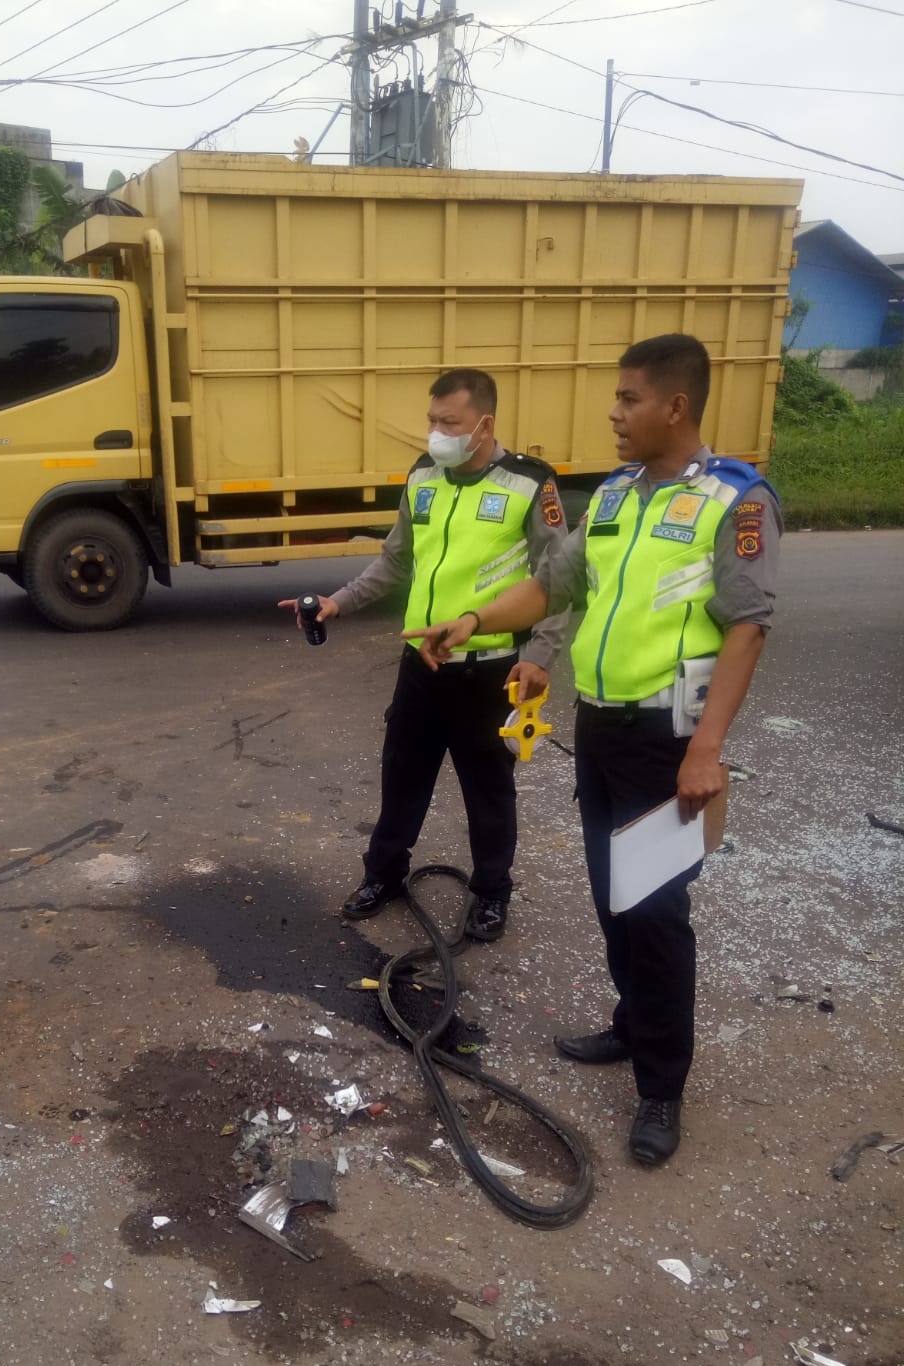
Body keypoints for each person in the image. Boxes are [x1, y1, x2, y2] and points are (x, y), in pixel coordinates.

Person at [406, 334, 781, 1165]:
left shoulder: (734, 501)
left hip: (669, 738)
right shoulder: (614, 498)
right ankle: (629, 1023)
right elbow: (554, 585)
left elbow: (749, 625)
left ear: (675, 407)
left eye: (628, 400)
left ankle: (660, 1086)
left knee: (655, 915)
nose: (613, 414)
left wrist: (706, 750)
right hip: (603, 729)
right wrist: (475, 621)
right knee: (615, 896)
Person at [280, 368, 569, 942]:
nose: (436, 433)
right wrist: (338, 602)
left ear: (484, 424)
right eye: (432, 420)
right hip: (422, 668)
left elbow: (556, 580)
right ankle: (383, 876)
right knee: (401, 780)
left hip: (490, 673)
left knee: (489, 793)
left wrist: (539, 655)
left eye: (450, 422)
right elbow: (395, 560)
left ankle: (490, 892)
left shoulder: (529, 484)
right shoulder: (424, 477)